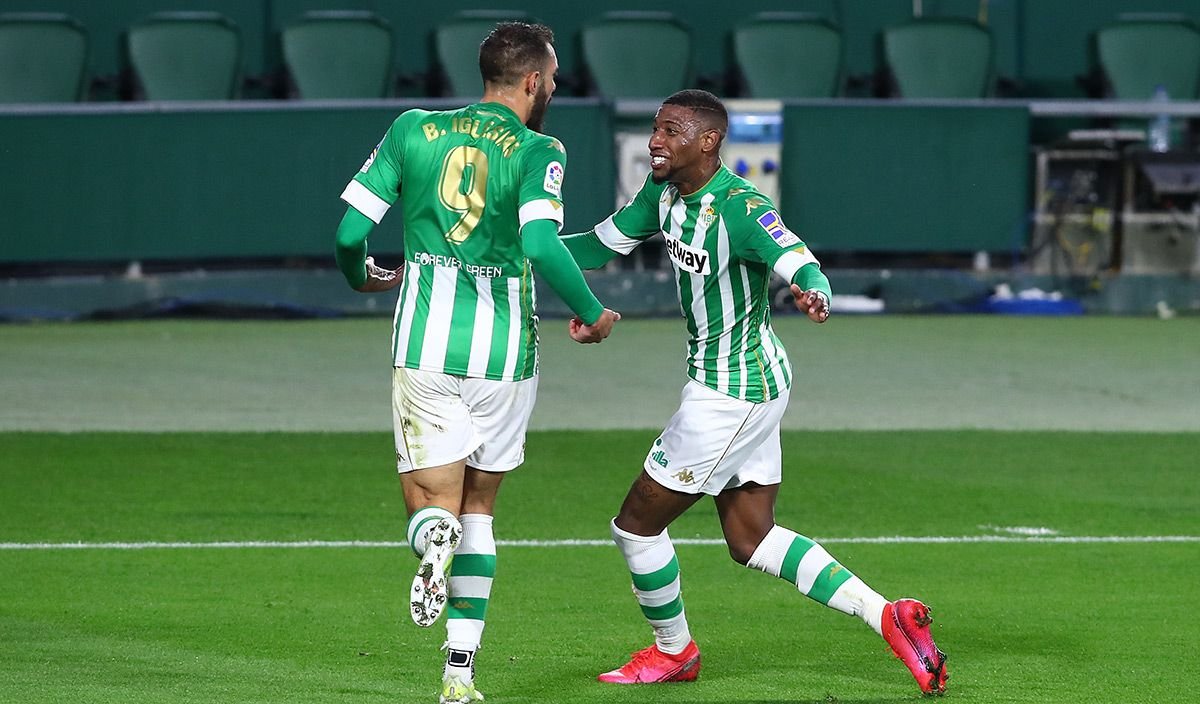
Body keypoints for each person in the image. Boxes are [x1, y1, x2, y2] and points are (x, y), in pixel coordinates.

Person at [560, 89, 948, 696]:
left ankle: (674, 652)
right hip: (746, 382)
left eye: (670, 131)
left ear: (707, 141)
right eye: (655, 130)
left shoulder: (740, 205)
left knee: (636, 526)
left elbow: (792, 253)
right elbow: (598, 246)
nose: (655, 142)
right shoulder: (661, 196)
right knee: (751, 538)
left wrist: (812, 289)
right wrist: (524, 252)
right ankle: (888, 616)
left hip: (732, 392)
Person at [333, 22, 620, 704]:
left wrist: (362, 277)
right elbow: (544, 247)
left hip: (425, 347)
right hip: (505, 356)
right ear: (529, 81)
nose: (552, 88)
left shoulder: (411, 130)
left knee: (436, 504)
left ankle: (432, 536)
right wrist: (590, 311)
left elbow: (349, 232)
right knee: (482, 510)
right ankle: (459, 676)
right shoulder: (539, 148)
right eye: (550, 78)